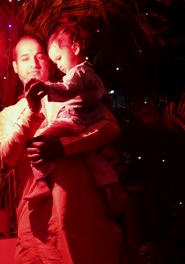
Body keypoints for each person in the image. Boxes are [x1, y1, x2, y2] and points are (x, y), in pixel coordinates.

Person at [0, 34, 124, 263]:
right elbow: (8, 156)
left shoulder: (72, 95)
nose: (34, 64)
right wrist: (32, 112)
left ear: (49, 61)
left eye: (40, 57)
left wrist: (64, 147)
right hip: (35, 223)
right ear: (15, 67)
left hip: (79, 211)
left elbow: (110, 128)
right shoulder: (9, 114)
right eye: (25, 58)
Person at [21, 20, 127, 217]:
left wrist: (46, 87)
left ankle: (42, 181)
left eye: (59, 58)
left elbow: (67, 90)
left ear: (75, 47)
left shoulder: (79, 73)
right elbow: (101, 95)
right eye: (55, 62)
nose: (59, 65)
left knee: (36, 142)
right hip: (83, 121)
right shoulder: (88, 73)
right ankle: (115, 191)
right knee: (93, 157)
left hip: (75, 120)